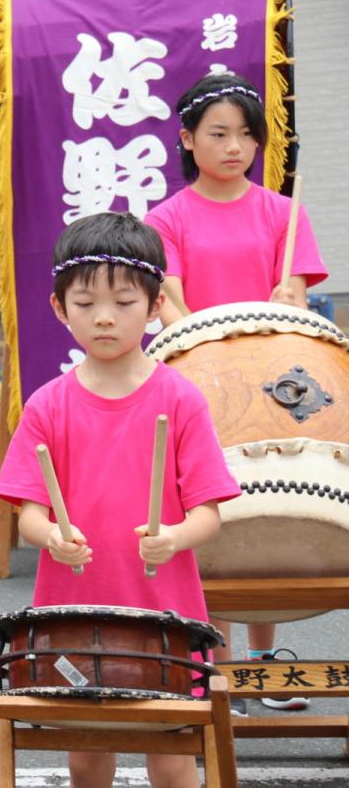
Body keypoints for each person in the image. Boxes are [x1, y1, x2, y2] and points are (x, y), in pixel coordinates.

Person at [0, 213, 241, 788]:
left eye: (124, 301)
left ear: (155, 306)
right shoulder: (47, 405)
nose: (104, 317)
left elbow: (210, 512)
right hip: (75, 614)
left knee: (174, 754)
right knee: (86, 754)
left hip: (166, 615)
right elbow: (27, 510)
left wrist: (174, 537)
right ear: (59, 308)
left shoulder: (180, 399)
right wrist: (50, 536)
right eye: (85, 303)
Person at [145, 72, 328, 715]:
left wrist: (288, 300)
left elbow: (297, 300)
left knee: (270, 510)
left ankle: (259, 663)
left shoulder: (282, 210)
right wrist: (211, 362)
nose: (234, 147)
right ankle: (213, 666)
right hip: (200, 385)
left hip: (272, 383)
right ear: (188, 139)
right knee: (211, 522)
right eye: (218, 133)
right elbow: (170, 305)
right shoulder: (165, 218)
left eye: (247, 135)